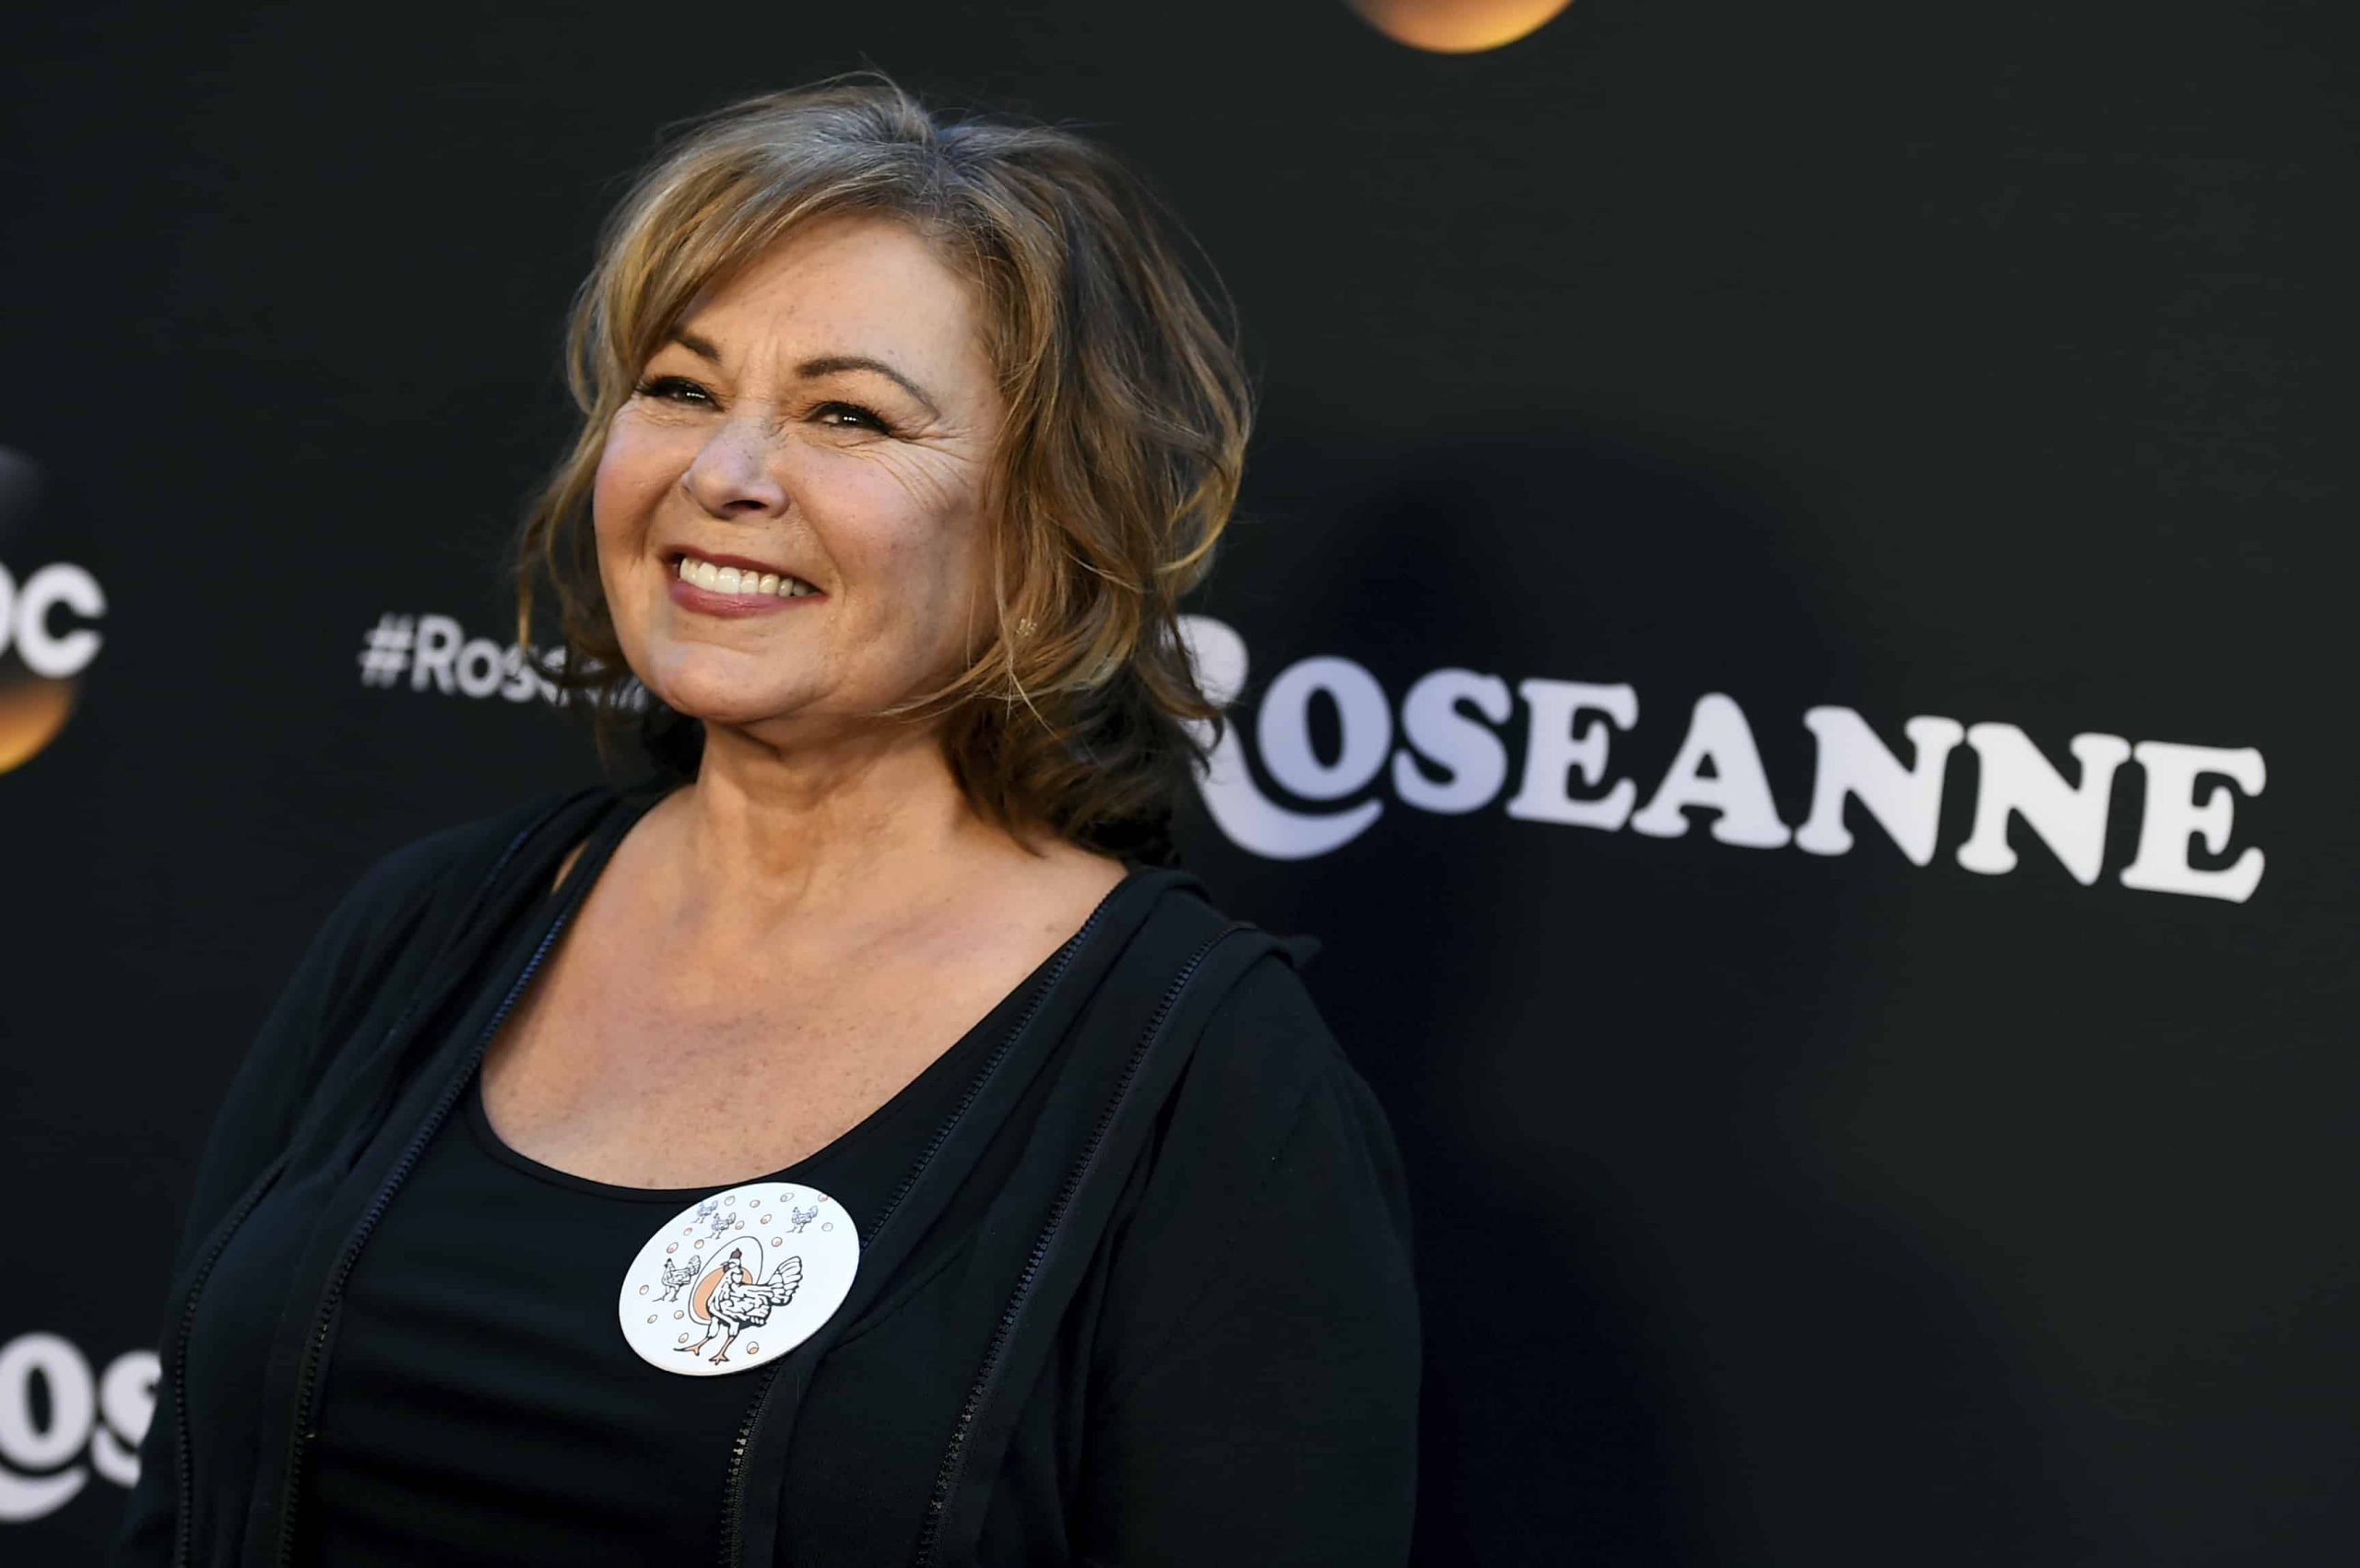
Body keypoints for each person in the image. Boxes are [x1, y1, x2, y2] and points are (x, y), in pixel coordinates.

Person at [112, 73, 1419, 1568]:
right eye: (679, 388)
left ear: (1048, 524)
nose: (722, 474)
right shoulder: (428, 929)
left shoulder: (1204, 1079)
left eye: (846, 414)